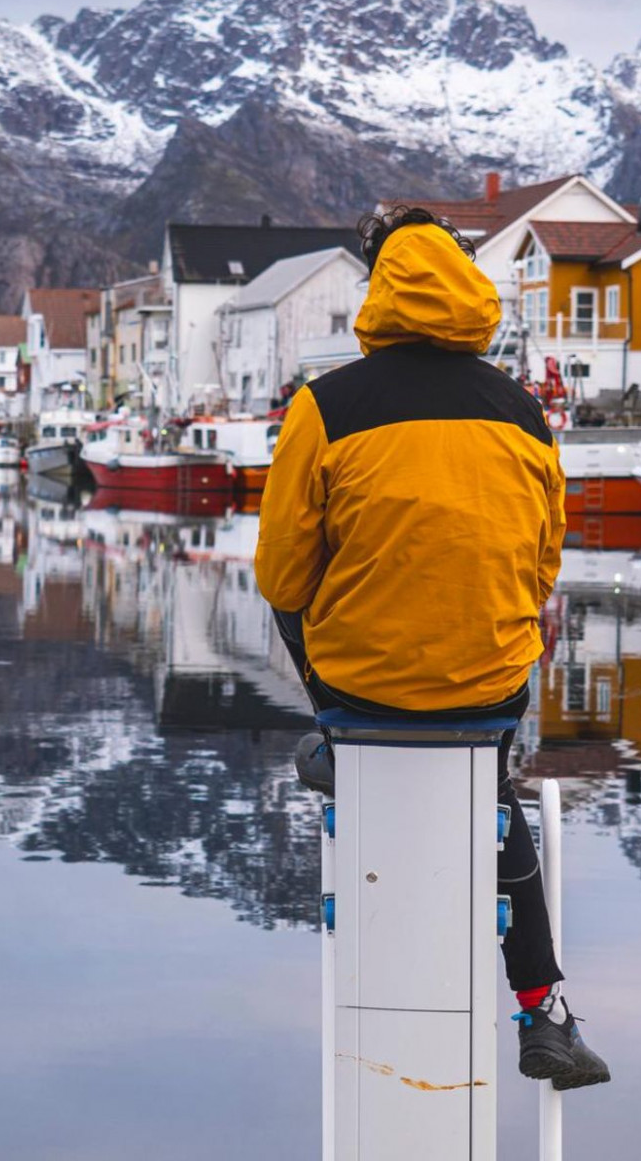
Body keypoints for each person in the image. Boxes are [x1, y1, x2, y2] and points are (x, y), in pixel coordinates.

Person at [254, 205, 610, 1091]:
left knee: (293, 603)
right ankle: (542, 1013)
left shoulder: (324, 406)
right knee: (494, 788)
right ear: (466, 289)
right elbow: (540, 569)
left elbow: (281, 574)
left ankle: (337, 742)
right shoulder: (524, 413)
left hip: (362, 693)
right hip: (488, 694)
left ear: (380, 292)